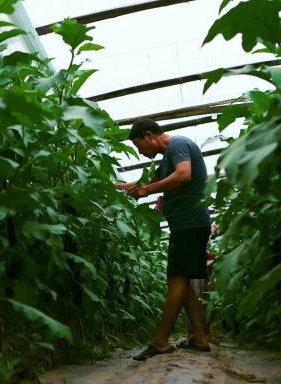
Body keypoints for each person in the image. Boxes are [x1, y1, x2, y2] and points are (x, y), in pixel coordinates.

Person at [115, 118, 211, 360]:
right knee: (183, 279)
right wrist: (114, 187)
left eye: (139, 146)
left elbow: (184, 174)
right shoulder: (168, 156)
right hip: (186, 224)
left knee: (176, 280)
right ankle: (200, 338)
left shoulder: (177, 144)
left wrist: (150, 191)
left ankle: (160, 340)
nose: (140, 151)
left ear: (149, 135)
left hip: (190, 223)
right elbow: (145, 183)